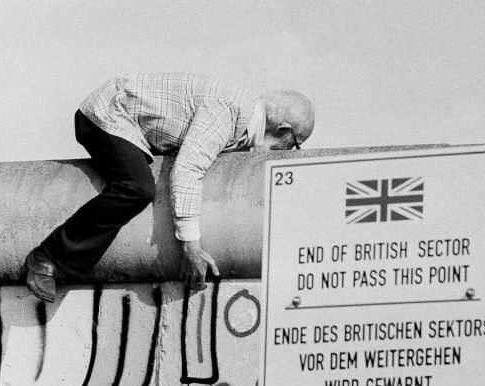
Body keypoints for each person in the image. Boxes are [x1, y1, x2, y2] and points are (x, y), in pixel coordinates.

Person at [25, 72, 315, 301]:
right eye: (295, 144)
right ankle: (47, 257)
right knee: (136, 188)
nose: (290, 152)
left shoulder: (244, 121)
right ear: (282, 131)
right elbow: (187, 170)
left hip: (130, 124)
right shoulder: (228, 113)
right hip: (107, 115)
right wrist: (190, 246)